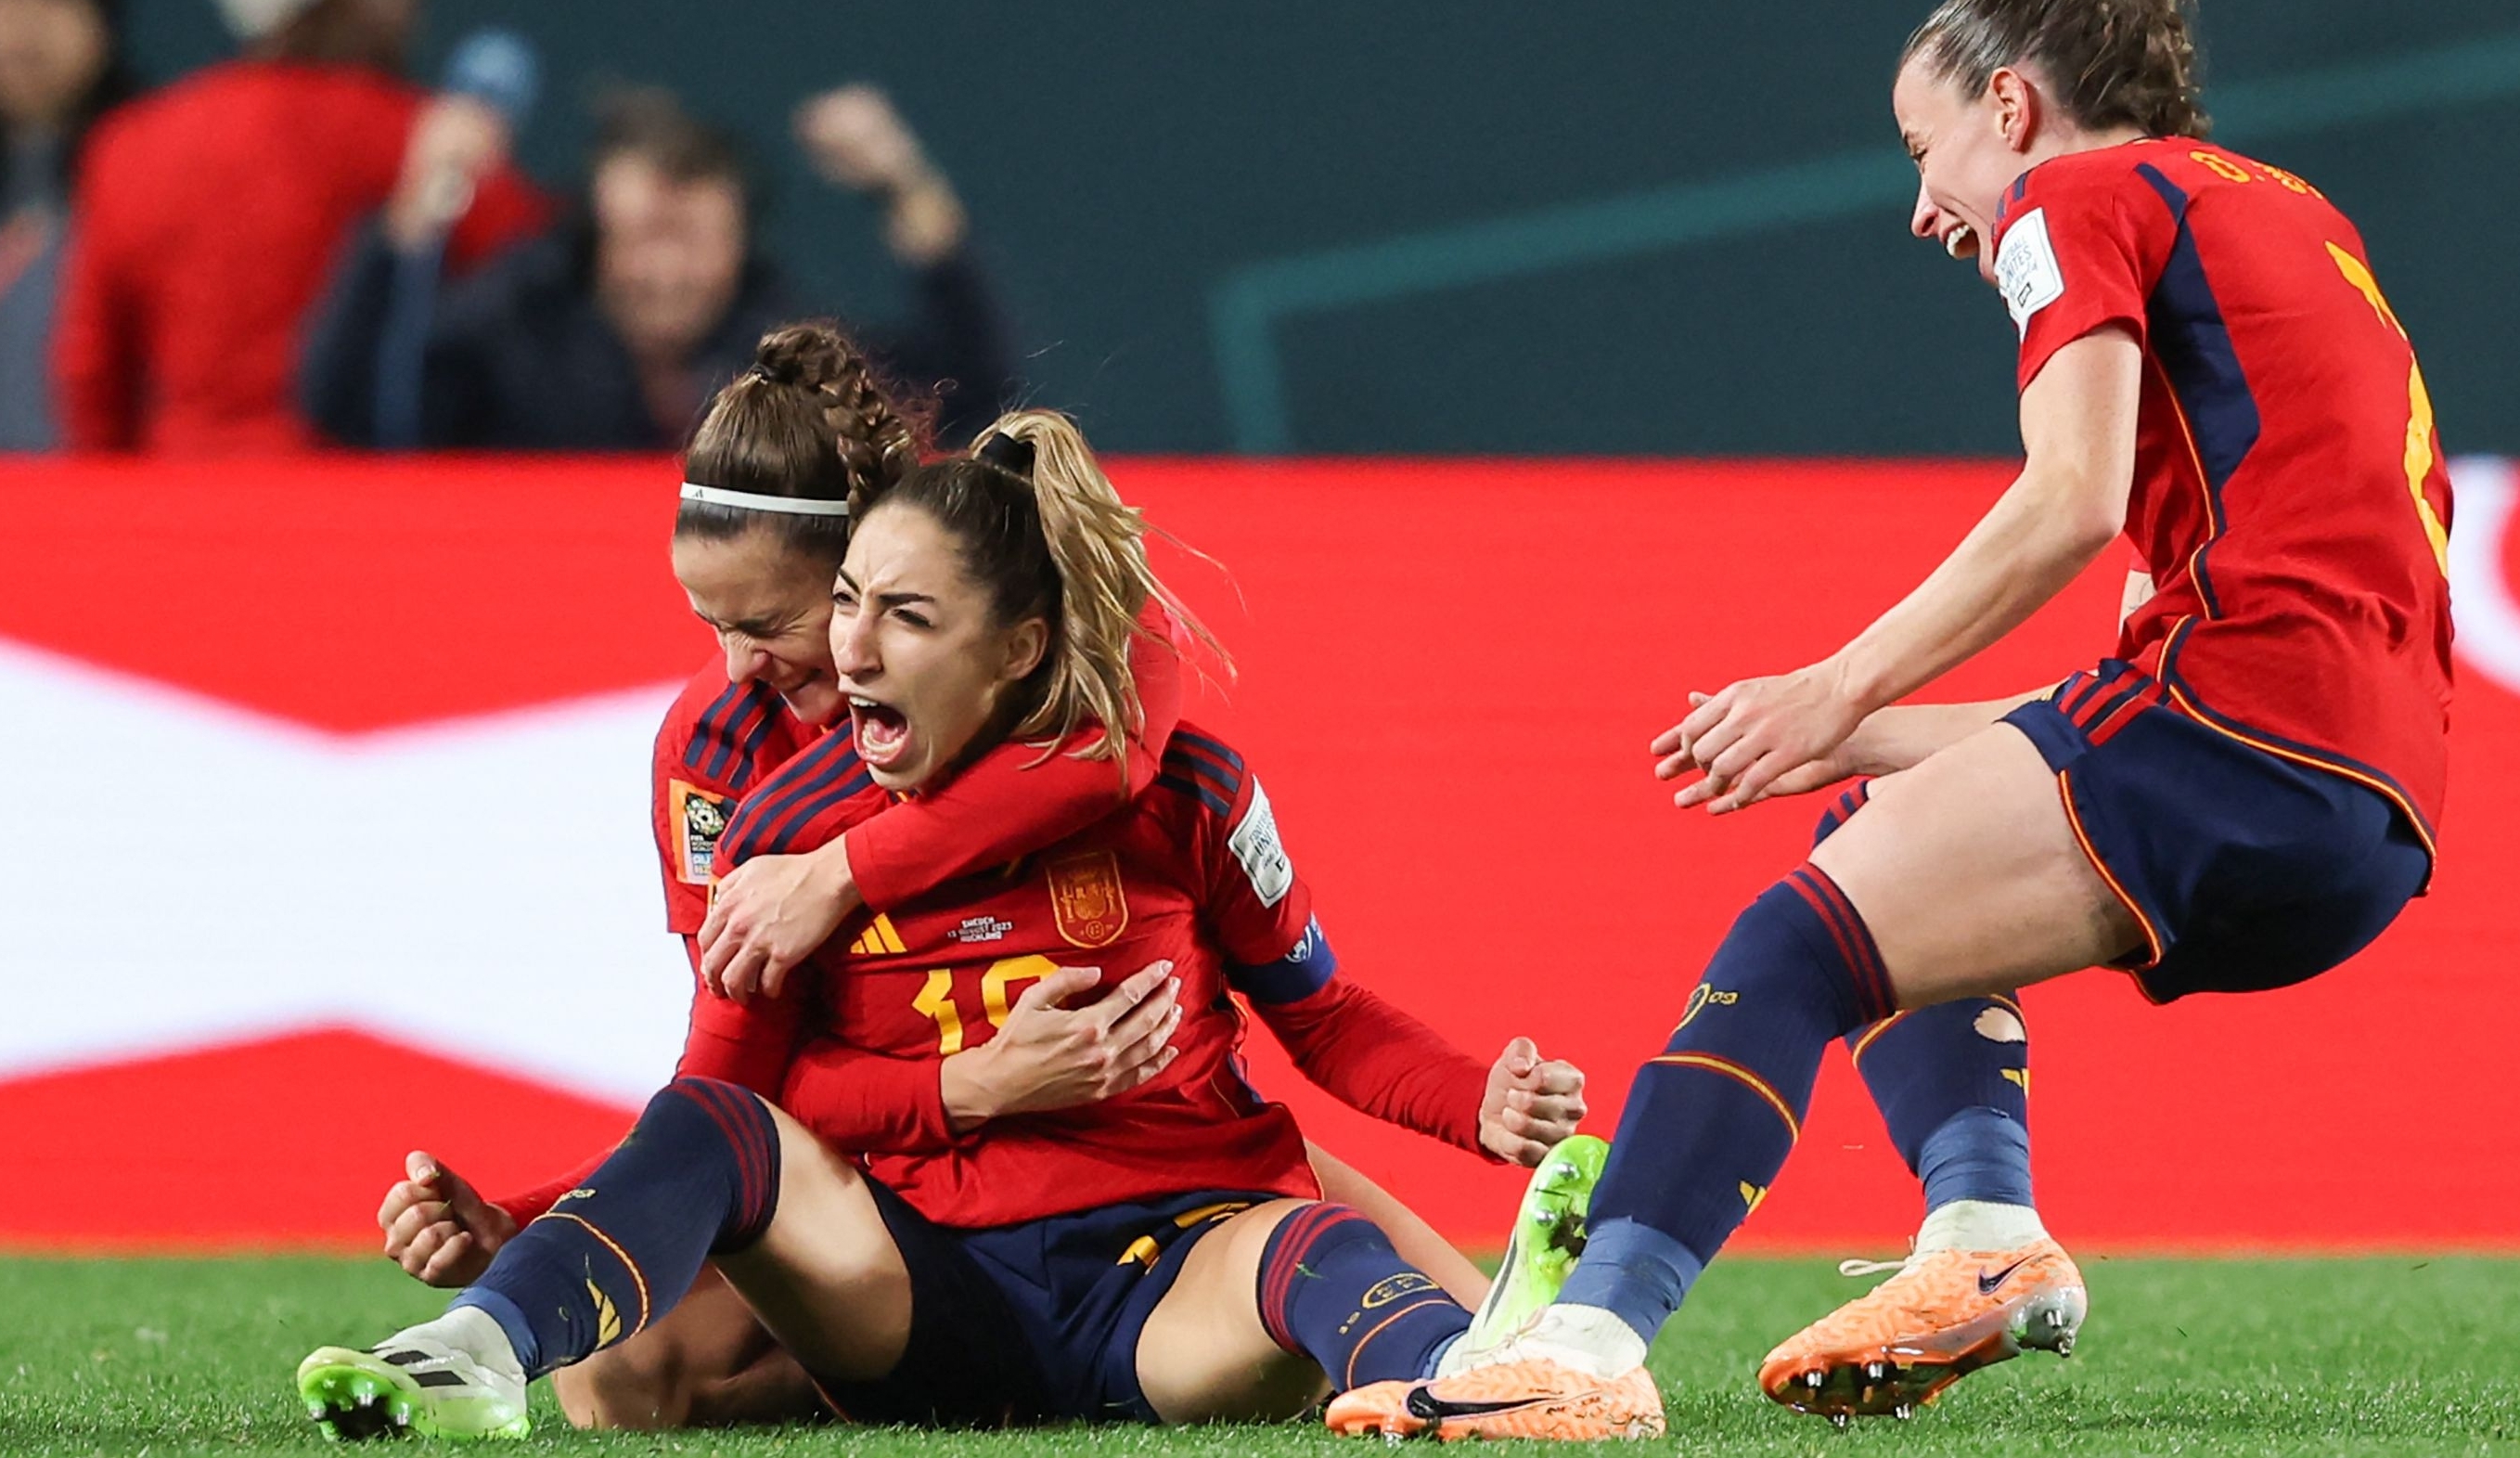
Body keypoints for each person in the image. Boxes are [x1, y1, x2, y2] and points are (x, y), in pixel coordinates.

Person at [1338, 0, 2452, 1439]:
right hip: (2367, 798)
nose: (1923, 209)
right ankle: (1979, 1229)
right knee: (1869, 827)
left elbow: (2068, 498)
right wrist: (1856, 739)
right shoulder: (2290, 212)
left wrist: (1839, 680)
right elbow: (2127, 690)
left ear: (2010, 107)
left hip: (2243, 725)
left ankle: (1583, 1345)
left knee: (1793, 946)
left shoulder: (2074, 190)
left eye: (1922, 149)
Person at [341, 324, 1581, 1432]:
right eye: (839, 612)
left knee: (1374, 1277)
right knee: (622, 1385)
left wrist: (1475, 1100)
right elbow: (729, 1094)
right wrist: (965, 1082)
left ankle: (1470, 1363)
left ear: (1009, 633)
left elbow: (1293, 981)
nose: (742, 667)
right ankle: (486, 1342)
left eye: (786, 620)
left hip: (1170, 1209)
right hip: (911, 1233)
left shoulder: (1134, 732)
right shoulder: (745, 789)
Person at [302, 84, 1013, 451]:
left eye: (695, 238)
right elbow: (348, 407)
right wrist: (411, 213)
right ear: (594, 241)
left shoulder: (790, 351)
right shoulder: (517, 326)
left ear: (740, 246)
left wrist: (905, 187)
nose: (667, 270)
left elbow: (978, 392)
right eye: (644, 235)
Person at [50, 0, 547, 453]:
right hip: (362, 517)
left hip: (178, 509)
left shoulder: (131, 146)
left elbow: (90, 377)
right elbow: (541, 283)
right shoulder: (411, 139)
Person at [0, 0, 130, 449]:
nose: (26, 32)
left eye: (54, 6)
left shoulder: (145, 162)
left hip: (91, 486)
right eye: (8, 8)